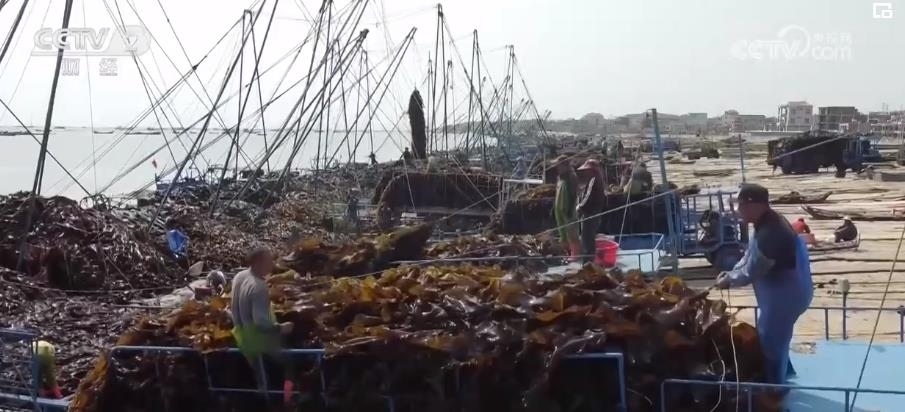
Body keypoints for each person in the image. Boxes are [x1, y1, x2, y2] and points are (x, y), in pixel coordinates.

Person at [715, 184, 813, 386]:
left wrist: (729, 280)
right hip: (786, 293)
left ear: (754, 205)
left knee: (770, 341)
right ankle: (785, 372)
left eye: (741, 205)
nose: (738, 211)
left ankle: (774, 387)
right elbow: (749, 256)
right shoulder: (766, 222)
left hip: (785, 298)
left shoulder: (772, 234)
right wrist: (731, 271)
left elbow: (752, 271)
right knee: (776, 336)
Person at [230, 248, 295, 403]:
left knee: (260, 379)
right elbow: (261, 323)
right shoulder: (259, 286)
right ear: (258, 262)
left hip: (243, 338)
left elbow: (235, 309)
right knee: (277, 376)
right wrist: (282, 327)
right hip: (261, 343)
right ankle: (280, 403)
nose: (272, 264)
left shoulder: (239, 277)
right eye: (269, 261)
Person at [576, 159, 607, 264]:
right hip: (595, 214)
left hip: (589, 215)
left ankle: (587, 264)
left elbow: (588, 198)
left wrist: (579, 207)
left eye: (587, 170)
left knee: (587, 240)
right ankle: (590, 263)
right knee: (590, 240)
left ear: (592, 171)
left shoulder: (594, 180)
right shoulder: (599, 179)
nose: (585, 172)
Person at [552, 156, 580, 260]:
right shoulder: (560, 177)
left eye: (558, 165)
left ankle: (575, 255)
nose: (557, 167)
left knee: (572, 234)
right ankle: (567, 253)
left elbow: (573, 195)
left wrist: (570, 209)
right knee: (562, 233)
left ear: (565, 165)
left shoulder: (571, 177)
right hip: (559, 208)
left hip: (569, 209)